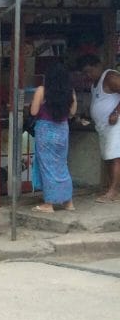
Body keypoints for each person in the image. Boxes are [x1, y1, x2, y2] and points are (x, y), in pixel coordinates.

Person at [30, 62, 77, 212]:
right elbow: (72, 113)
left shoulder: (42, 90)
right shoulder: (70, 92)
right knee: (62, 164)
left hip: (45, 129)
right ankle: (68, 202)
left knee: (47, 166)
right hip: (62, 129)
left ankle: (49, 203)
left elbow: (33, 111)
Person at [77, 54, 120, 202]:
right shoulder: (94, 84)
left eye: (89, 71)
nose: (88, 75)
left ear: (98, 66)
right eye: (85, 73)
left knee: (114, 157)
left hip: (116, 124)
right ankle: (112, 188)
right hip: (103, 127)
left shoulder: (110, 77)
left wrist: (116, 112)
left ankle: (113, 191)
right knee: (108, 157)